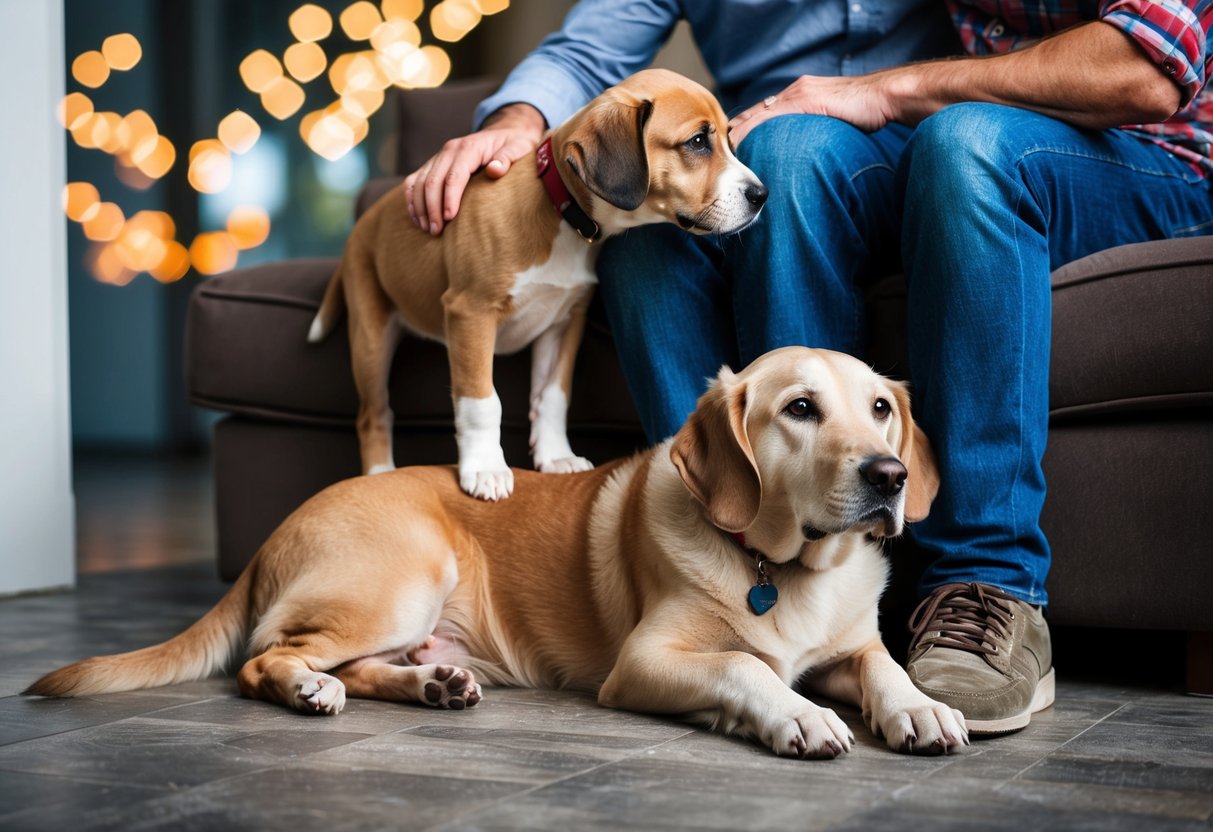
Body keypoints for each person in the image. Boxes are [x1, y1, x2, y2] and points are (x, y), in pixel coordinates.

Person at [403, 0, 1213, 734]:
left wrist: (885, 92)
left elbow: (1144, 63)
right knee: (660, 231)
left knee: (920, 143)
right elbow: (585, 52)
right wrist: (516, 123)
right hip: (792, 151)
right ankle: (713, 567)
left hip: (1002, 135)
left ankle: (976, 583)